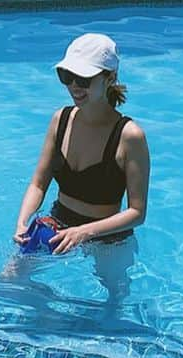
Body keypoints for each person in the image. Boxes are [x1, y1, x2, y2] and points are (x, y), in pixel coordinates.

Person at [13, 33, 149, 258]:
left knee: (116, 293)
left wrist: (83, 233)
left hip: (108, 237)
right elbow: (38, 183)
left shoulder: (129, 136)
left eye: (84, 79)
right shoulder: (61, 119)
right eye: (67, 76)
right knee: (9, 283)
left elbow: (137, 212)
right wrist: (22, 222)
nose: (74, 86)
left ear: (109, 78)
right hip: (58, 223)